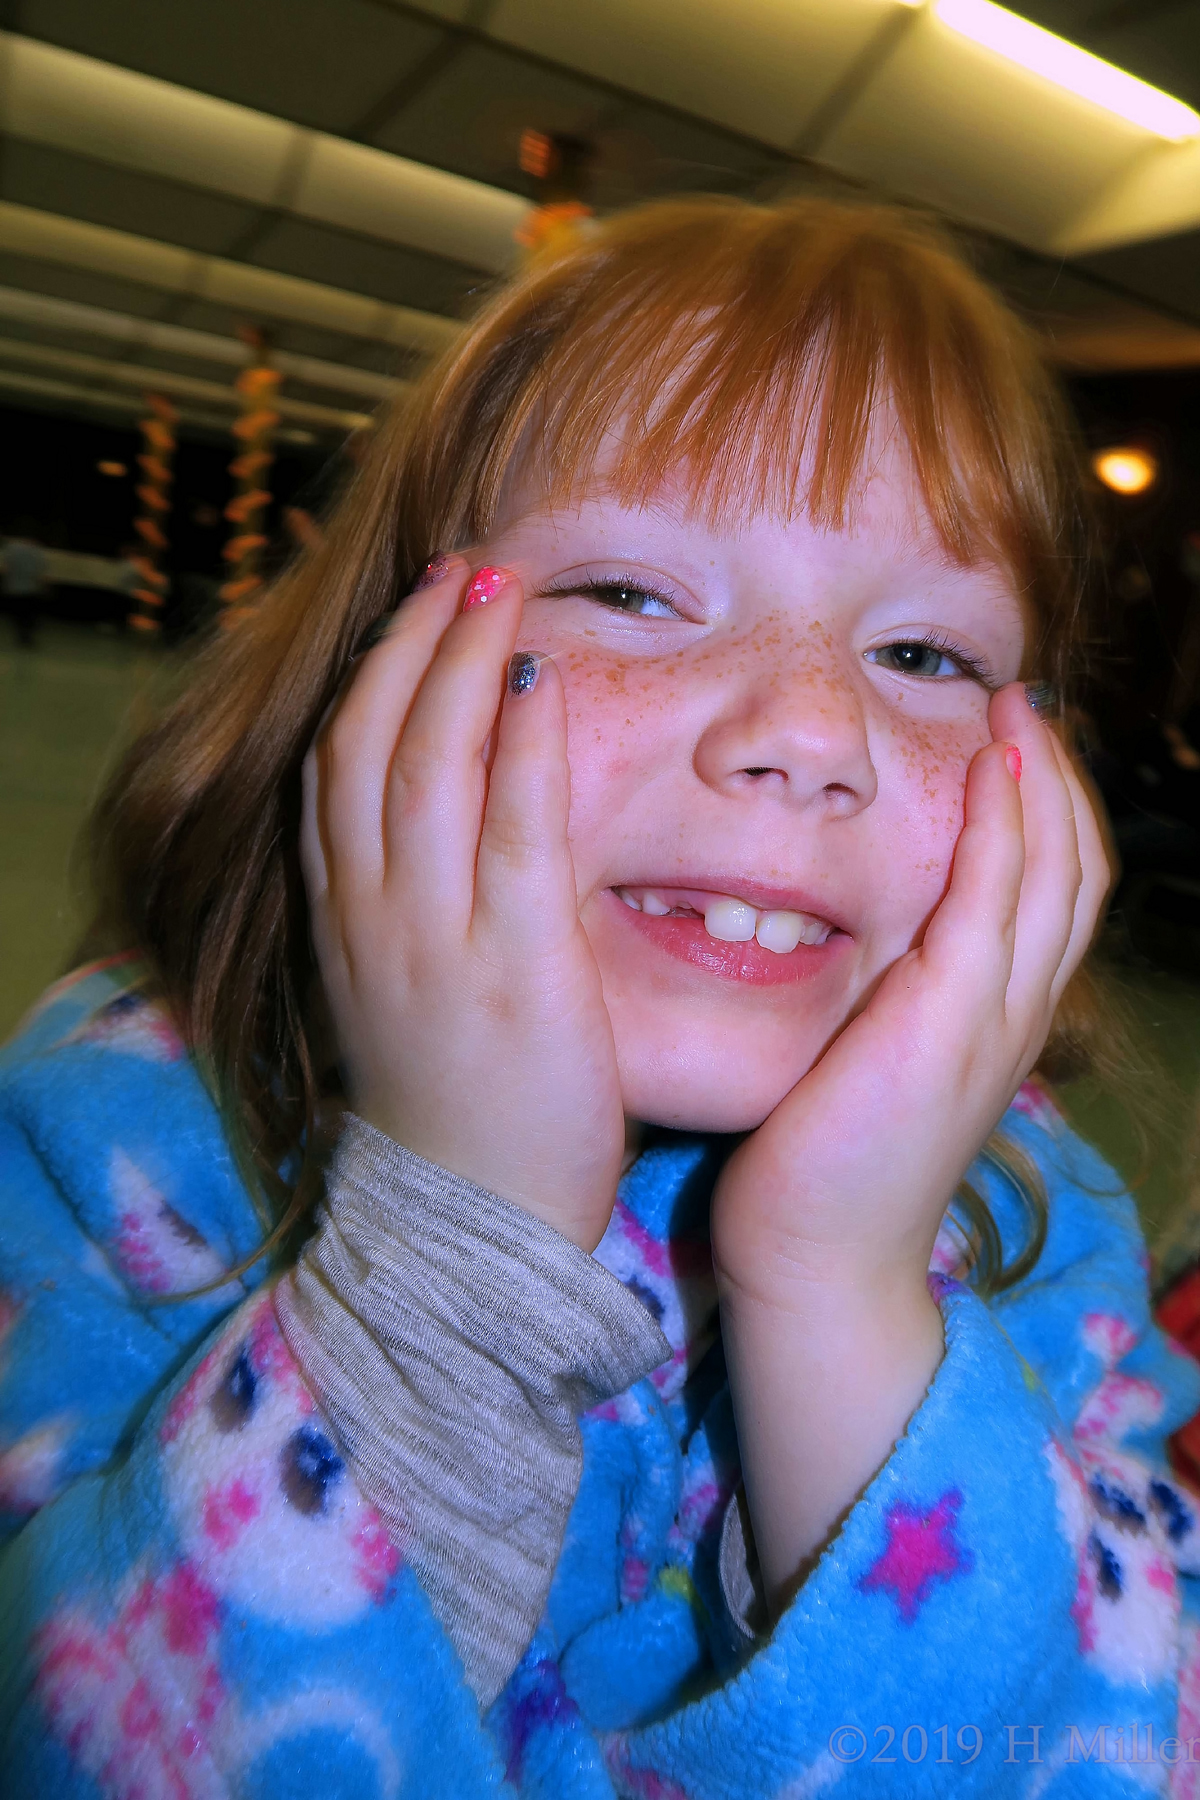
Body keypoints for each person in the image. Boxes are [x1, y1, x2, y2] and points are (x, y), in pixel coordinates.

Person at [3, 197, 1200, 1795]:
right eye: (633, 595)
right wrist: (451, 1252)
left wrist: (841, 1293)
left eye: (923, 655)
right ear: (376, 667)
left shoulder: (1049, 1228)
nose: (812, 730)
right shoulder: (112, 1138)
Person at [1, 523, 49, 648]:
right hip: (31, 590)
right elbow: (40, 573)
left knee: (18, 616)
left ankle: (21, 637)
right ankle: (26, 638)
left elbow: (5, 568)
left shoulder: (11, 548)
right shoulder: (37, 550)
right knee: (29, 617)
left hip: (14, 588)